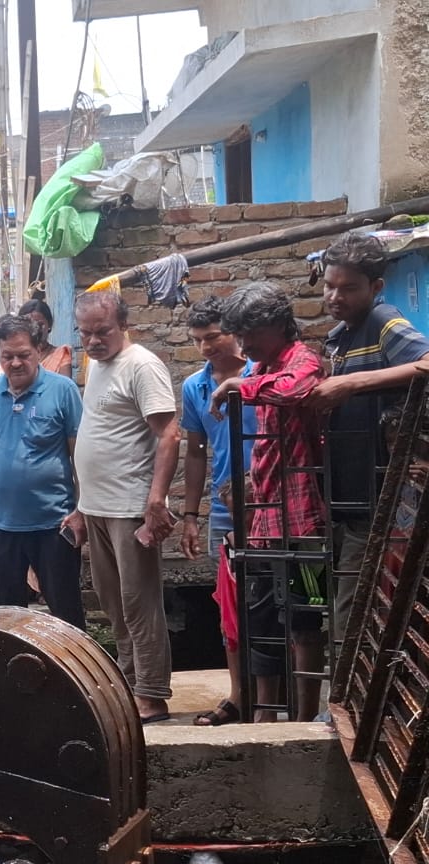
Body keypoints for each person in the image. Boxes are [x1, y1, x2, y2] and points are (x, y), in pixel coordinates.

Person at [302, 231, 429, 640]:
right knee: (320, 597)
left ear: (376, 288)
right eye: (329, 286)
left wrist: (353, 384)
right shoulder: (339, 337)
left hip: (375, 499)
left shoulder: (383, 321)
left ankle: (343, 699)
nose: (335, 296)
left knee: (349, 609)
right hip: (341, 497)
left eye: (349, 288)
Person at [212, 282, 329, 722]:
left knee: (303, 621)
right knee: (262, 623)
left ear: (278, 325)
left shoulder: (302, 360)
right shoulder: (263, 368)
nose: (243, 346)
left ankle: (304, 720)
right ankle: (263, 716)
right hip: (266, 517)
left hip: (302, 519)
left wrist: (237, 386)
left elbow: (293, 388)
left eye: (250, 335)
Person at [71, 290, 180, 724]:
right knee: (112, 603)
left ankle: (152, 694)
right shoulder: (97, 366)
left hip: (130, 506)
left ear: (123, 325)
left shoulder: (141, 365)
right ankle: (131, 686)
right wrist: (80, 505)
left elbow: (169, 434)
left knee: (139, 603)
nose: (94, 341)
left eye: (103, 332)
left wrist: (156, 500)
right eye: (86, 333)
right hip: (97, 505)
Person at [0, 316, 85, 628]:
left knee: (66, 614)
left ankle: (70, 673)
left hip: (54, 525)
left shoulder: (63, 390)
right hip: (4, 527)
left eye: (24, 354)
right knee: (7, 618)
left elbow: (80, 455)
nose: (16, 363)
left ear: (37, 351)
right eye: (8, 356)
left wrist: (80, 510)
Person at [178, 297, 256, 726]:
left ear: (234, 332)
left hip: (269, 504)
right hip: (224, 509)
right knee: (230, 607)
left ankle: (273, 695)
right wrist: (191, 514)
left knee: (275, 602)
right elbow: (195, 452)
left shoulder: (260, 375)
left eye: (213, 337)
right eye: (199, 341)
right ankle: (239, 695)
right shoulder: (195, 387)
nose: (206, 347)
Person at [18, 296, 73, 378]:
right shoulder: (14, 357)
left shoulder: (61, 354)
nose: (35, 330)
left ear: (49, 324)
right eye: (29, 325)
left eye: (40, 324)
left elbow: (63, 388)